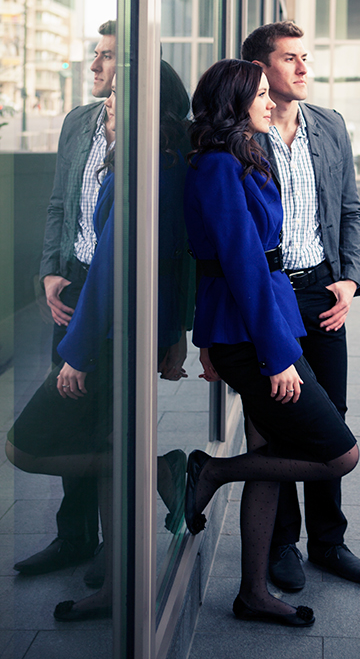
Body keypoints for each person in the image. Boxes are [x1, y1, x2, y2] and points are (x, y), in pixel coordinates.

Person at [6, 63, 191, 621]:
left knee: (24, 445)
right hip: (120, 325)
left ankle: (157, 472)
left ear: (148, 114)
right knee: (113, 447)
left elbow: (115, 270)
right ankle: (116, 585)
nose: (105, 110)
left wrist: (76, 354)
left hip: (110, 333)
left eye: (115, 105)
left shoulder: (139, 171)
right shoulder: (163, 164)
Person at [184, 59, 360, 627]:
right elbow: (239, 266)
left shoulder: (243, 157)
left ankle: (253, 593)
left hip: (266, 321)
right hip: (251, 331)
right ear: (235, 104)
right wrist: (277, 354)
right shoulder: (216, 166)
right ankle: (209, 473)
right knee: (340, 456)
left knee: (266, 458)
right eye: (260, 94)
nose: (269, 101)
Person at [240, 21, 360, 590]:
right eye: (290, 58)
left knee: (331, 418)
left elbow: (350, 209)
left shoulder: (329, 125)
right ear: (260, 70)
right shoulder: (236, 132)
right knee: (280, 421)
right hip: (269, 296)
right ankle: (282, 546)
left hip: (321, 292)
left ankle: (329, 541)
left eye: (306, 58)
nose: (303, 68)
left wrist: (348, 281)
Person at [13, 21, 116, 578]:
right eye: (95, 55)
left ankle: (115, 546)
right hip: (74, 284)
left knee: (110, 416)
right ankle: (74, 537)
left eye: (106, 58)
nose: (94, 67)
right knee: (70, 406)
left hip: (119, 288)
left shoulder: (156, 129)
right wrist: (51, 272)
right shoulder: (80, 121)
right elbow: (58, 203)